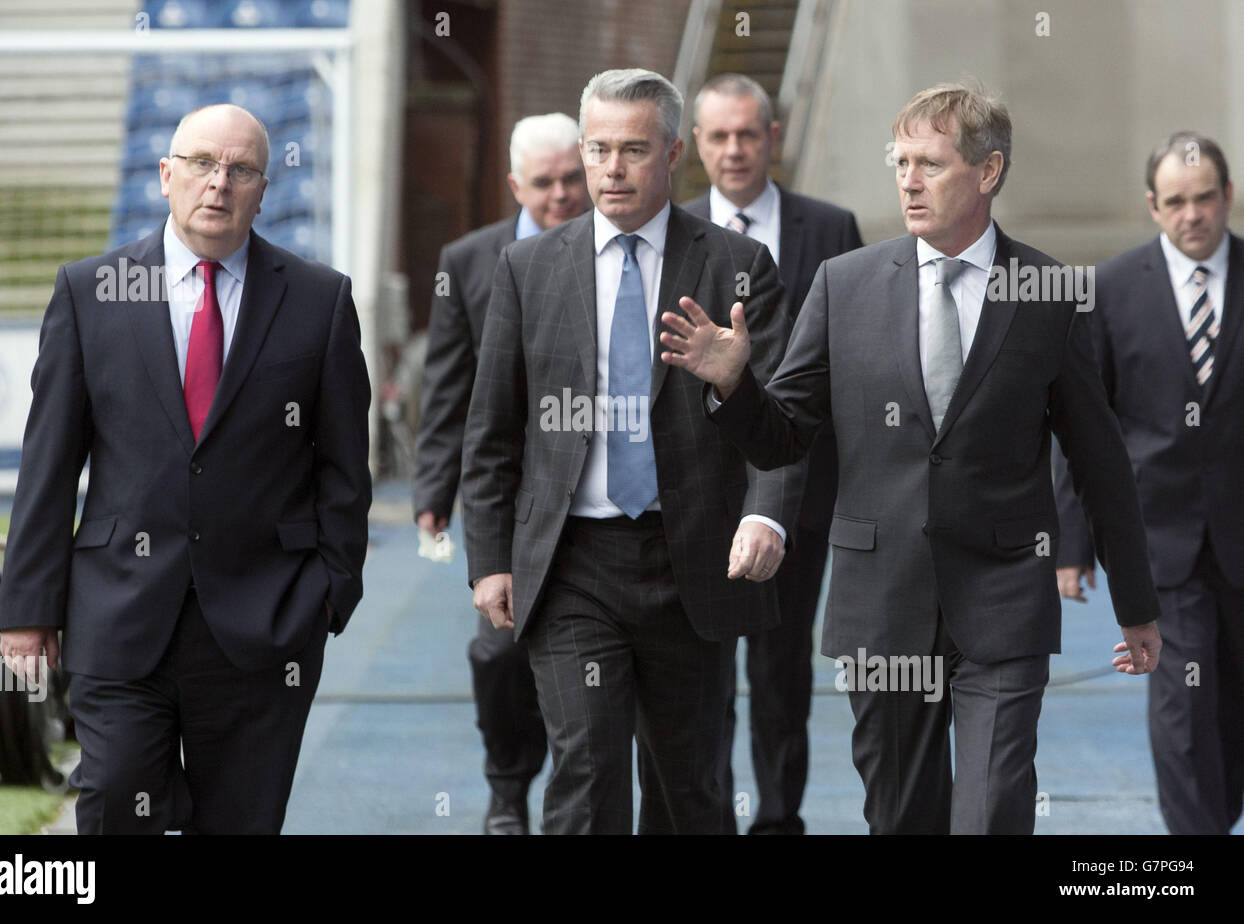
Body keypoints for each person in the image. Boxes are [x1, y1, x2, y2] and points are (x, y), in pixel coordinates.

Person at [660, 82, 1162, 834]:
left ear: (988, 172)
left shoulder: (1050, 292)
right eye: (901, 163)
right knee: (900, 818)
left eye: (930, 163)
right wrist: (734, 384)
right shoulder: (845, 284)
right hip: (882, 602)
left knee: (992, 809)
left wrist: (1137, 604)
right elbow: (785, 434)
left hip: (1004, 601)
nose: (908, 181)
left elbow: (1098, 460)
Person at [0, 103, 372, 834]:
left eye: (240, 170)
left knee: (241, 821)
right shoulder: (88, 291)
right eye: (201, 163)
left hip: (267, 622)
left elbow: (345, 469)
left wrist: (331, 590)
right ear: (165, 176)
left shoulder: (320, 300)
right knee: (112, 800)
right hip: (117, 614)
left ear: (264, 189)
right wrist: (28, 608)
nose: (218, 184)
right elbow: (49, 462)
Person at [460, 68, 801, 834]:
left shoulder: (736, 268)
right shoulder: (528, 269)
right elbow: (492, 430)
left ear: (674, 153)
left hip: (694, 560)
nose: (611, 169)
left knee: (690, 790)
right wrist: (488, 557)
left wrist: (763, 512)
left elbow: (787, 427)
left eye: (634, 150)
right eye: (599, 149)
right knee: (588, 771)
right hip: (573, 562)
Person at [682, 72, 862, 834]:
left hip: (799, 490)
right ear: (696, 144)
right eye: (718, 136)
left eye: (747, 134)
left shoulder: (830, 229)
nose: (734, 150)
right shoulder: (675, 231)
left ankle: (779, 820)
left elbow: (850, 364)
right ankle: (713, 815)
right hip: (699, 490)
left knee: (783, 669)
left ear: (773, 137)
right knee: (704, 673)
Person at [1053, 131, 1244, 835]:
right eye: (1175, 202)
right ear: (1152, 207)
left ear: (1227, 196)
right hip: (1159, 542)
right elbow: (1081, 423)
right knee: (1184, 710)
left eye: (1203, 198)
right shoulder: (1107, 290)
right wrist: (1070, 543)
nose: (1191, 214)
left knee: (1229, 710)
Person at [413, 112, 589, 834]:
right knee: (498, 651)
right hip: (511, 497)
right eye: (543, 183)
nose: (560, 195)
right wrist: (433, 488)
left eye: (572, 178)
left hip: (601, 491)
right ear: (516, 185)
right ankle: (509, 788)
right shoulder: (469, 261)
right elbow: (448, 386)